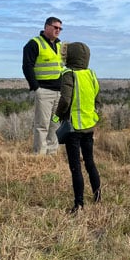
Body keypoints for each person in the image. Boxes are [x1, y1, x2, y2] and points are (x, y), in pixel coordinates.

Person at [54, 42, 101, 214]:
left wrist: (56, 116)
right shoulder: (91, 74)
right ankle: (98, 196)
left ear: (71, 56)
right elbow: (97, 97)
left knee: (75, 167)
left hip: (73, 128)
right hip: (89, 126)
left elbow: (65, 100)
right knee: (90, 162)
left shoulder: (68, 74)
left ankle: (79, 205)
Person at [22, 17, 65, 155]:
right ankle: (39, 155)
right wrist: (36, 88)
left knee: (55, 123)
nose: (58, 30)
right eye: (55, 27)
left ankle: (52, 153)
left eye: (60, 28)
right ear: (46, 27)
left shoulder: (60, 45)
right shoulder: (34, 44)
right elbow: (27, 66)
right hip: (44, 92)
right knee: (42, 125)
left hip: (59, 92)